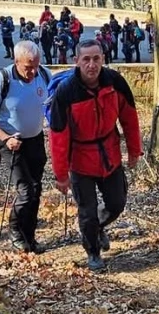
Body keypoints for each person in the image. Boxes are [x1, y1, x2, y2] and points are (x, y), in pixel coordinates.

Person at [50, 40, 142, 272]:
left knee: (117, 203)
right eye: (86, 59)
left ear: (103, 58)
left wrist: (134, 150)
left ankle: (98, 227)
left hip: (110, 154)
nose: (91, 64)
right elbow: (58, 135)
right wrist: (61, 174)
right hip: (80, 160)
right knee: (87, 212)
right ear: (77, 61)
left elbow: (130, 118)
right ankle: (93, 251)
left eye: (96, 58)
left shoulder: (115, 82)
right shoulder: (66, 92)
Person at [0, 40, 51, 253]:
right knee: (26, 190)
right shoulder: (3, 79)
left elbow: (52, 101)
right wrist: (5, 138)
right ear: (16, 61)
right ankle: (15, 231)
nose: (33, 72)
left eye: (36, 66)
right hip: (12, 142)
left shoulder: (44, 74)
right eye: (28, 67)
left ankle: (30, 236)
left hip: (35, 139)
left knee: (36, 189)